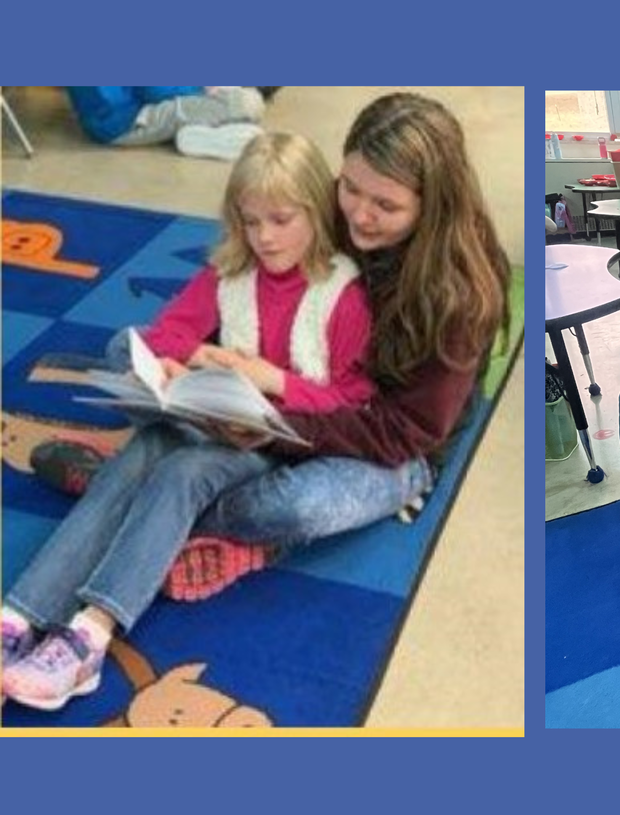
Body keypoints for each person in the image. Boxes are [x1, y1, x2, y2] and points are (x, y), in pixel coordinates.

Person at [32, 92, 511, 603]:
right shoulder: (330, 208)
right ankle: (158, 501)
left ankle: (135, 498)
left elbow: (400, 433)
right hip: (283, 394)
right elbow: (246, 283)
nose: (360, 215)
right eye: (349, 187)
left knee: (297, 507)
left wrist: (268, 427)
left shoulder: (460, 294)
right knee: (121, 351)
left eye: (387, 206)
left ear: (431, 205)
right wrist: (198, 363)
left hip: (383, 442)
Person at [2, 132, 375, 710]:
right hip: (218, 417)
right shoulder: (232, 271)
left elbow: (349, 399)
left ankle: (91, 635)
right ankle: (18, 616)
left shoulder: (343, 293)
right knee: (145, 446)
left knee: (184, 472)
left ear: (315, 211)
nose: (265, 237)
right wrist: (178, 364)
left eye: (280, 220)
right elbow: (168, 333)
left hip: (284, 438)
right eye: (250, 222)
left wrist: (264, 379)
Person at [65, 86, 265, 161]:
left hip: (120, 108)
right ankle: (195, 135)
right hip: (126, 119)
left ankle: (198, 129)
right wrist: (201, 89)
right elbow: (151, 91)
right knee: (248, 102)